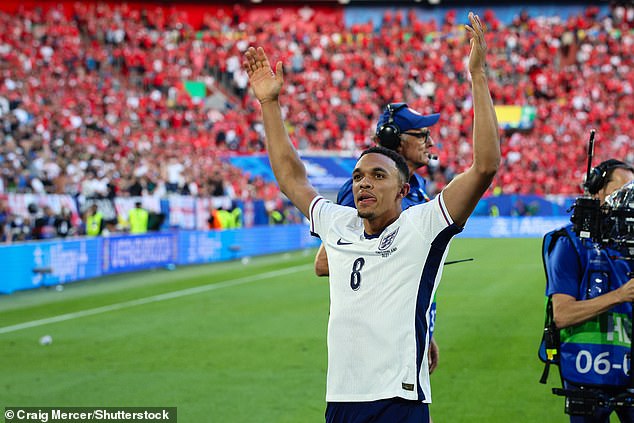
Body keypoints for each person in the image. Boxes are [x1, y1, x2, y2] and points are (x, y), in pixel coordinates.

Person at [243, 11, 499, 422]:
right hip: (342, 398)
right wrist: (270, 104)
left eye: (378, 176)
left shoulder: (422, 226)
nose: (364, 183)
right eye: (358, 176)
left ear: (402, 189)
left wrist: (478, 75)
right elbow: (291, 177)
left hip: (399, 401)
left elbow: (484, 166)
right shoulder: (340, 223)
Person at [314, 103, 442, 376]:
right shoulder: (364, 189)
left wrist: (426, 328)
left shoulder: (416, 189)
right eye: (422, 135)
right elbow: (324, 262)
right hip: (376, 340)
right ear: (394, 139)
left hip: (410, 331)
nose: (430, 142)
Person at [545, 159, 634, 423]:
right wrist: (620, 295)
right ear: (597, 192)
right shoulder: (568, 243)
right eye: (623, 191)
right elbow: (562, 315)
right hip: (587, 377)